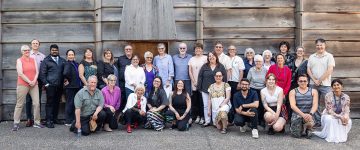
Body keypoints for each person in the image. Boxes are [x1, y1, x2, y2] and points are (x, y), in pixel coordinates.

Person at [12, 45, 44, 131]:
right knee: (20, 104)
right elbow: (20, 73)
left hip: (34, 84)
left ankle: (37, 122)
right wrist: (29, 81)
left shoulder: (33, 60)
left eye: (28, 50)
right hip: (23, 84)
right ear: (22, 52)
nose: (27, 51)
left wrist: (33, 81)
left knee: (37, 103)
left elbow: (37, 72)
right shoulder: (19, 60)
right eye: (25, 50)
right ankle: (16, 123)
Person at [307, 38, 335, 126]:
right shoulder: (312, 56)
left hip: (325, 84)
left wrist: (319, 80)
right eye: (318, 45)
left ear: (324, 45)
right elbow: (308, 70)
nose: (319, 47)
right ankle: (318, 121)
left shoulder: (329, 56)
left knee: (329, 102)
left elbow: (330, 70)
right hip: (313, 84)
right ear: (316, 46)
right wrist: (314, 80)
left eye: (321, 45)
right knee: (315, 104)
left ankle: (331, 121)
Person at [197, 51, 227, 127]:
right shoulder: (205, 66)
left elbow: (224, 77)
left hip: (217, 90)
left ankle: (214, 121)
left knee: (215, 106)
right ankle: (207, 121)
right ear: (208, 58)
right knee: (206, 105)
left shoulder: (220, 66)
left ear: (216, 57)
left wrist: (224, 87)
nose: (211, 57)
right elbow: (200, 77)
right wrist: (199, 87)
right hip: (205, 89)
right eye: (209, 56)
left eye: (213, 55)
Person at [39, 44, 66, 128]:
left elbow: (65, 72)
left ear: (58, 51)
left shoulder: (62, 60)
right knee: (50, 103)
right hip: (50, 85)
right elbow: (42, 74)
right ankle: (48, 120)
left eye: (56, 50)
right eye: (53, 50)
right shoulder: (46, 60)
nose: (54, 51)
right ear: (50, 51)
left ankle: (54, 118)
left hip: (59, 85)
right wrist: (46, 84)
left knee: (57, 102)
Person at [25, 39, 45, 127]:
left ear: (39, 45)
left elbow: (44, 69)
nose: (35, 44)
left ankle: (37, 119)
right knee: (28, 100)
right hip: (29, 80)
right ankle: (29, 119)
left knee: (38, 100)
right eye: (33, 43)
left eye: (37, 43)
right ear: (31, 45)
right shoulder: (27, 55)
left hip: (39, 80)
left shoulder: (42, 56)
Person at [188, 43, 207, 124]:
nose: (198, 50)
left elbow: (206, 71)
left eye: (199, 48)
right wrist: (194, 81)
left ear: (202, 50)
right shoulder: (191, 59)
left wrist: (200, 82)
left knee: (202, 101)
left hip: (202, 83)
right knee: (195, 101)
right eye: (196, 49)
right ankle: (197, 116)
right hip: (194, 83)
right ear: (194, 50)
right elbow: (190, 71)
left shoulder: (205, 58)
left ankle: (202, 116)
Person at [63, 49, 82, 126]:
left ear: (74, 55)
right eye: (69, 55)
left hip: (76, 87)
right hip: (70, 87)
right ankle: (68, 121)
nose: (71, 56)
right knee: (70, 103)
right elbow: (65, 73)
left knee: (75, 104)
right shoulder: (67, 64)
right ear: (67, 56)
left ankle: (74, 120)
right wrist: (70, 80)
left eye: (72, 54)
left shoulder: (75, 63)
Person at [247, 54, 268, 127]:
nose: (258, 63)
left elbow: (266, 80)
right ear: (254, 62)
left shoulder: (265, 70)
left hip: (262, 89)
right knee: (254, 106)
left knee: (262, 105)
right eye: (256, 61)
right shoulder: (251, 70)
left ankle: (261, 120)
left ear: (262, 62)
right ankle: (252, 120)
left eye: (260, 61)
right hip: (253, 89)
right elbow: (248, 81)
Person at [227, 45, 245, 123]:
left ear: (235, 50)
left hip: (235, 82)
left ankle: (237, 116)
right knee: (228, 99)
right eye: (230, 49)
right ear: (228, 50)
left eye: (233, 49)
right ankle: (230, 118)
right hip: (227, 82)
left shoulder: (239, 59)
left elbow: (241, 71)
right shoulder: (226, 58)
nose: (232, 50)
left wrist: (239, 82)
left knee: (235, 99)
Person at [116, 45, 133, 111]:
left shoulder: (134, 59)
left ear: (132, 50)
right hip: (122, 82)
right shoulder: (120, 58)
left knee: (129, 98)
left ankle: (128, 114)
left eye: (129, 49)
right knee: (121, 98)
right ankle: (121, 115)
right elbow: (116, 68)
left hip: (131, 83)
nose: (128, 50)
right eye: (126, 49)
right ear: (124, 50)